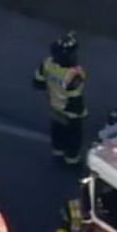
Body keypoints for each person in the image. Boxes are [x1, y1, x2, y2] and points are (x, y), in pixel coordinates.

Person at [33, 31, 88, 166]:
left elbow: (37, 83)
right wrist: (81, 114)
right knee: (73, 139)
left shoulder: (46, 64)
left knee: (57, 133)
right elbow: (75, 101)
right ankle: (71, 162)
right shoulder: (73, 76)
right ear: (68, 55)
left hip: (54, 107)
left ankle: (57, 155)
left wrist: (53, 88)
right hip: (71, 113)